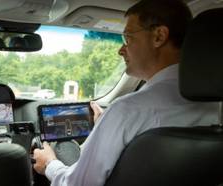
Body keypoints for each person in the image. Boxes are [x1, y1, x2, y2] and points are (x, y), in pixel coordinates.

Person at [33, 0, 218, 185]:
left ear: (159, 37)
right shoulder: (216, 109)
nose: (121, 50)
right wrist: (107, 124)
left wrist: (49, 164)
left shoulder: (127, 110)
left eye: (128, 38)